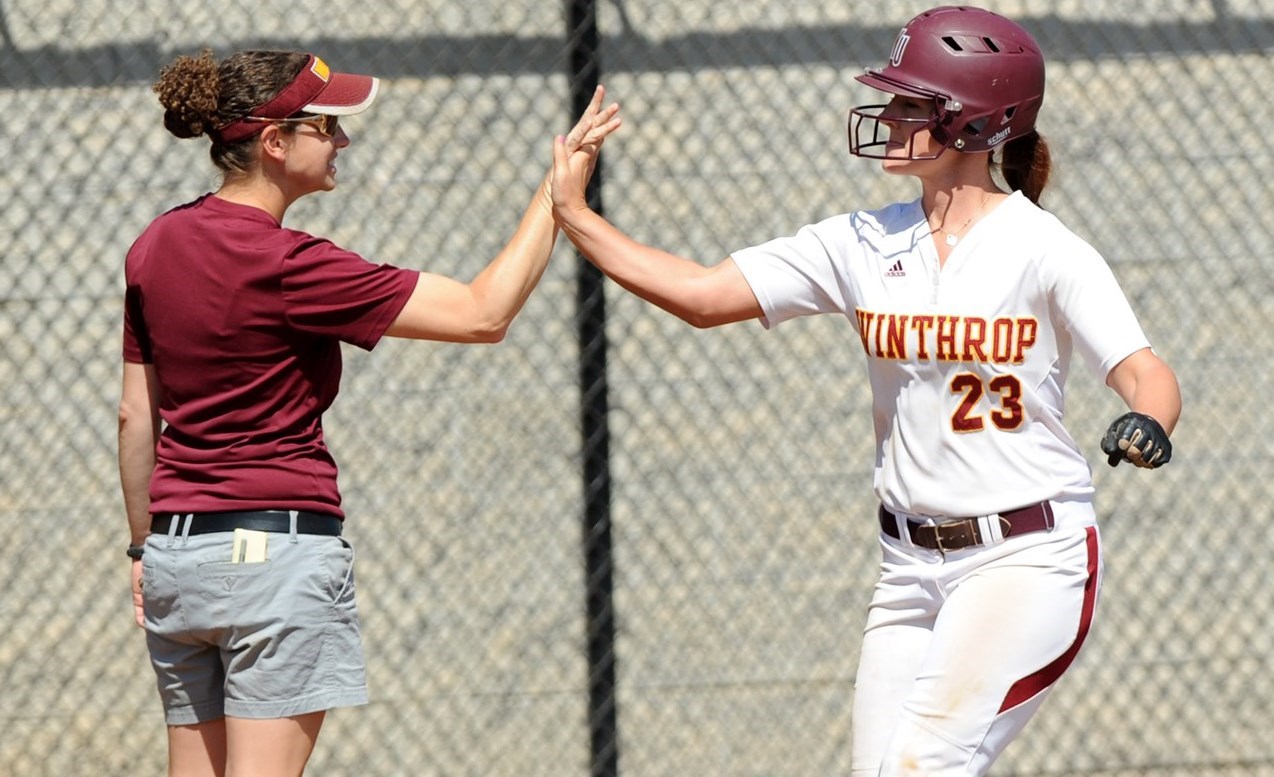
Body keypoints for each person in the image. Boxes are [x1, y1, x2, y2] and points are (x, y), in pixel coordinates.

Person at [550, 6, 1179, 776]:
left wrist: (1147, 420)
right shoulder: (862, 239)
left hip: (1026, 558)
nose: (890, 115)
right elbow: (703, 296)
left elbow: (1147, 373)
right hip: (908, 568)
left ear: (979, 122)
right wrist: (574, 214)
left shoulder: (1044, 249)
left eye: (917, 103)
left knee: (922, 765)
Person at [117, 48, 619, 776]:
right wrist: (558, 196)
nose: (343, 141)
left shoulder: (153, 246)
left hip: (178, 558)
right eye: (328, 126)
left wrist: (144, 547)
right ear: (274, 142)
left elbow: (138, 417)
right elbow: (485, 312)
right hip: (276, 559)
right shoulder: (291, 263)